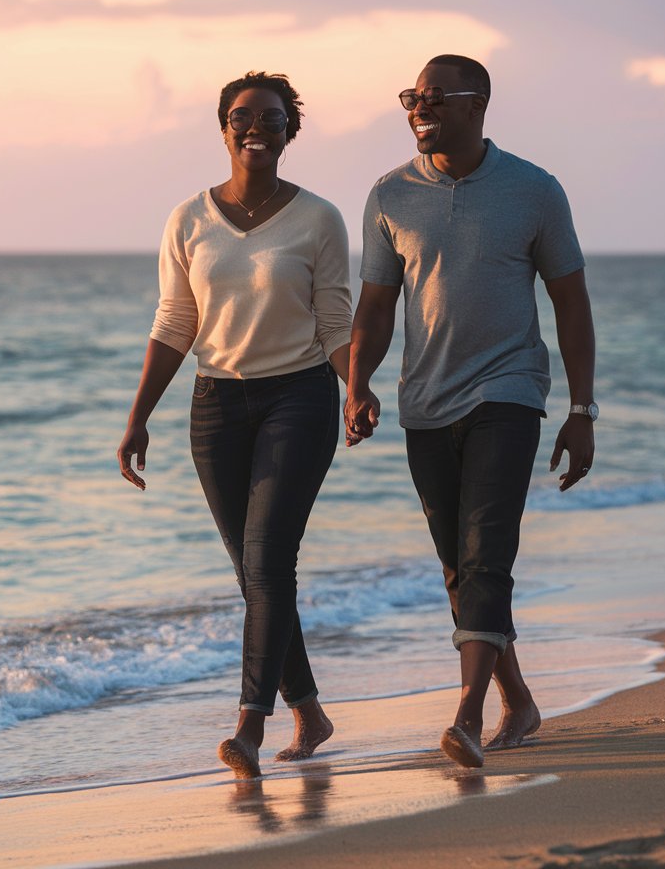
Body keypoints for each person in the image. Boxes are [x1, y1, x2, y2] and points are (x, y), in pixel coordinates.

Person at [345, 54, 596, 770]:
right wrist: (357, 384)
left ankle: (466, 716)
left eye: (433, 97)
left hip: (508, 392)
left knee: (487, 555)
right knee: (460, 569)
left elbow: (570, 301)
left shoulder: (535, 191)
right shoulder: (390, 195)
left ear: (477, 104)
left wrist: (582, 408)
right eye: (410, 98)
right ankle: (518, 699)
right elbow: (375, 304)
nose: (417, 108)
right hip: (424, 403)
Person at [118, 71, 353, 779]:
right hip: (216, 406)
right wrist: (138, 419)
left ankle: (249, 726)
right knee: (254, 572)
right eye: (242, 116)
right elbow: (176, 323)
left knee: (268, 561)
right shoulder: (187, 219)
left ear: (291, 130)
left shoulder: (319, 219)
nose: (257, 126)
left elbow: (335, 322)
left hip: (300, 399)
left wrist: (359, 388)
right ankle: (308, 708)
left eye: (272, 117)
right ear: (223, 129)